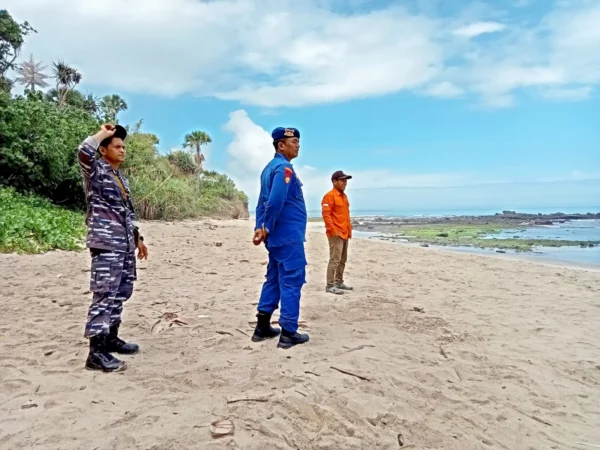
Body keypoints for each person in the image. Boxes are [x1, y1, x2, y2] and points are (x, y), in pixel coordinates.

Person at [77, 124, 149, 372]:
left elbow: (128, 212)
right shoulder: (96, 172)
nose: (122, 150)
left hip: (125, 244)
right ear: (104, 150)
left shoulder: (122, 178)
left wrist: (137, 238)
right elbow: (84, 152)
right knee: (104, 294)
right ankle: (95, 353)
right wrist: (102, 134)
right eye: (117, 146)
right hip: (106, 243)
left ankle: (111, 338)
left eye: (123, 146)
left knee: (121, 292)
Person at [251, 127, 310, 349]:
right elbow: (274, 202)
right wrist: (265, 226)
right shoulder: (284, 168)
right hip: (288, 236)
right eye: (293, 141)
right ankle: (288, 333)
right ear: (281, 145)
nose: (297, 145)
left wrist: (261, 227)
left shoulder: (268, 169)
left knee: (274, 278)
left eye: (298, 141)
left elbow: (260, 202)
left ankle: (262, 327)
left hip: (276, 237)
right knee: (292, 280)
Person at [321, 170, 354, 294]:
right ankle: (330, 285)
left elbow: (345, 214)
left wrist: (349, 228)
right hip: (336, 234)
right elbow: (326, 214)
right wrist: (332, 230)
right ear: (334, 181)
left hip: (345, 232)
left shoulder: (344, 196)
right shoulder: (329, 196)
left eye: (346, 181)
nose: (345, 183)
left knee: (342, 259)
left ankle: (339, 282)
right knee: (335, 260)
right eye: (342, 180)